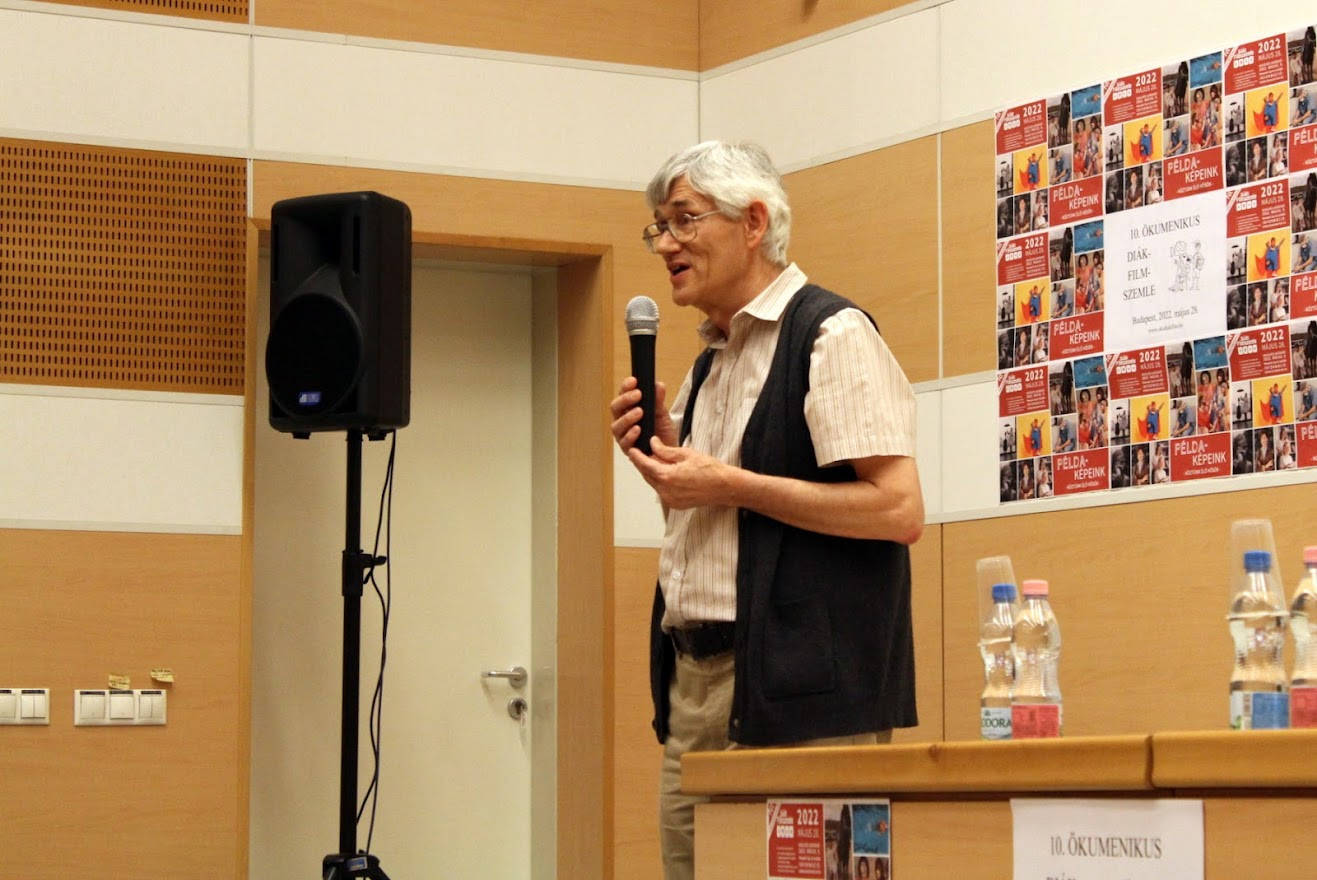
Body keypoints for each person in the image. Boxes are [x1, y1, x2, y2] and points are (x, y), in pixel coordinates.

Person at [610, 141, 923, 880]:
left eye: (684, 220)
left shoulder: (831, 333)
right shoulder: (710, 362)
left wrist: (732, 484)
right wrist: (669, 462)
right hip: (695, 685)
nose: (666, 245)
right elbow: (718, 518)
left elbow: (898, 508)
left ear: (753, 223)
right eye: (659, 227)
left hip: (803, 697)